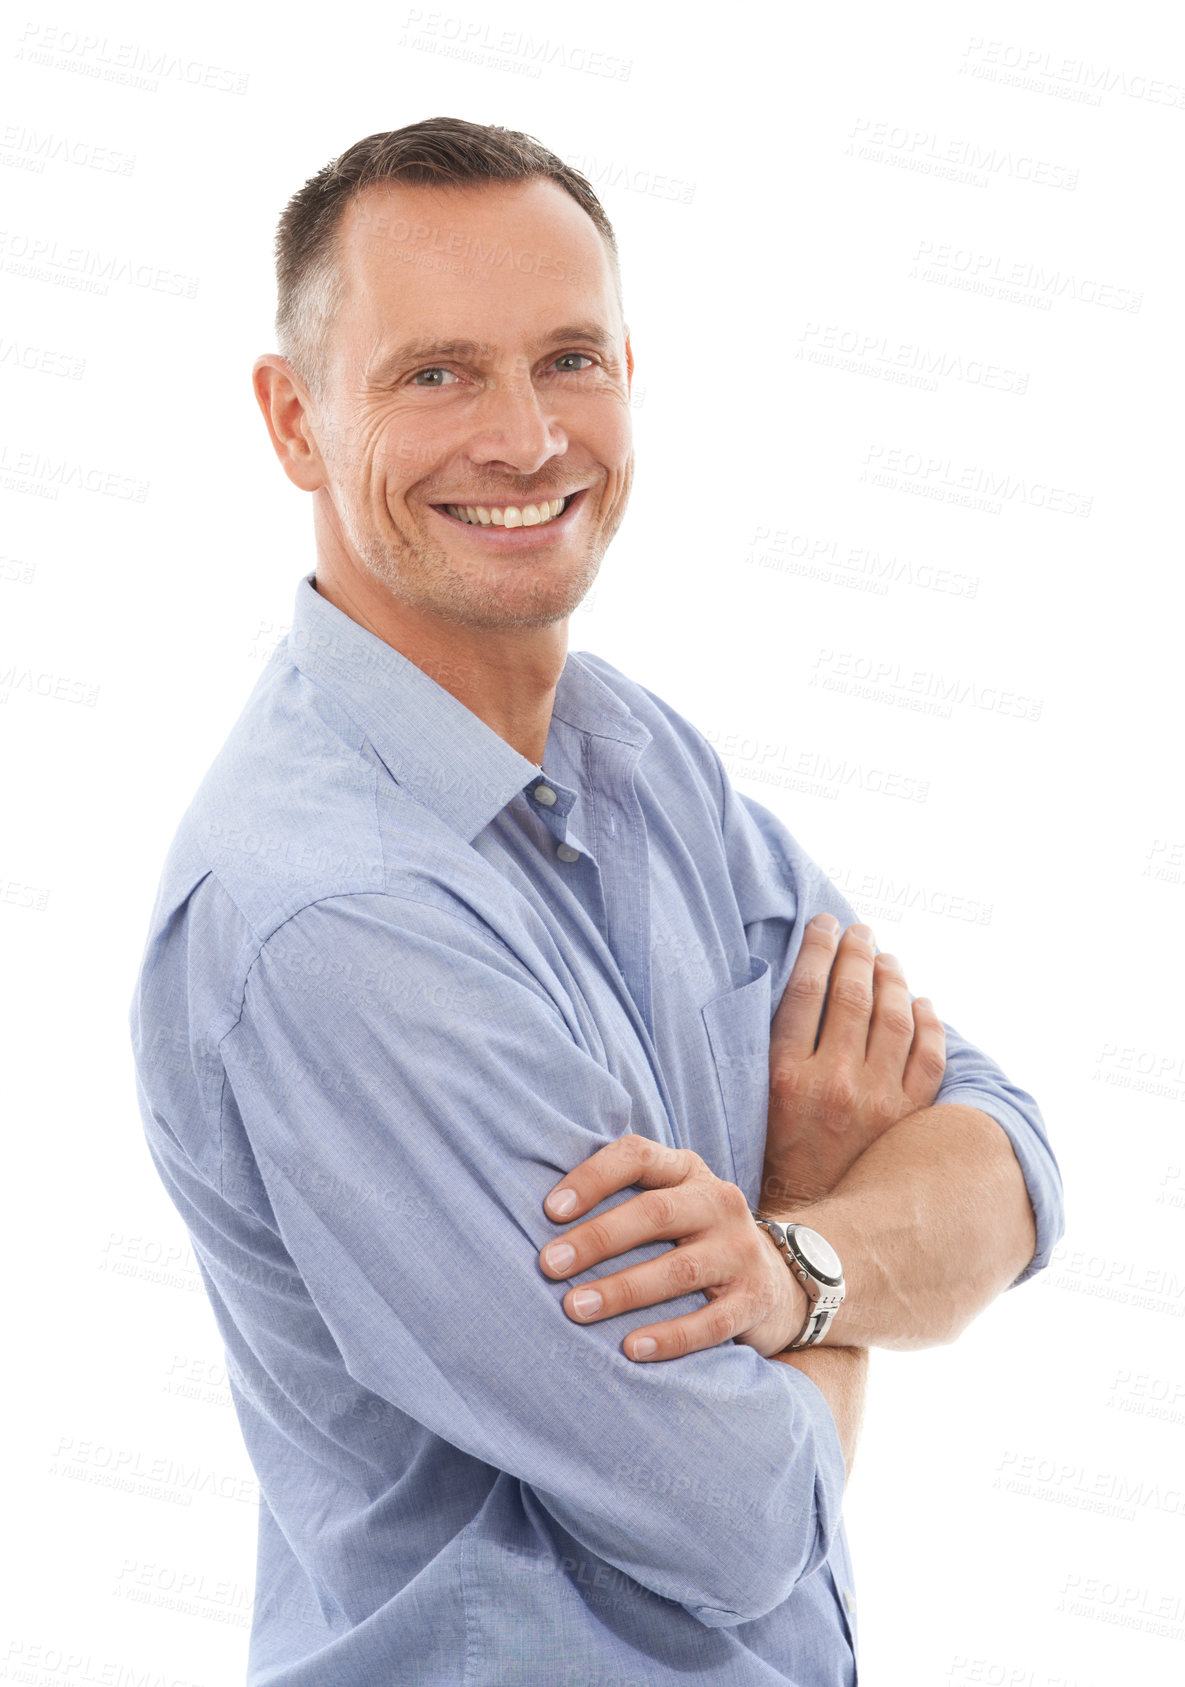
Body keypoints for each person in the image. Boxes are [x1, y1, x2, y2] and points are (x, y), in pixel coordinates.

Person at [128, 117, 1064, 1686]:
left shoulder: (633, 757)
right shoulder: (332, 921)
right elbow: (739, 1517)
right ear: (293, 420)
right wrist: (843, 1250)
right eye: (435, 374)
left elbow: (1009, 1155)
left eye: (568, 359)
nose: (525, 438)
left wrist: (786, 1262)